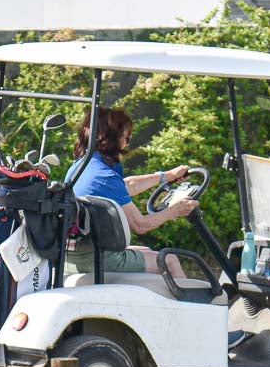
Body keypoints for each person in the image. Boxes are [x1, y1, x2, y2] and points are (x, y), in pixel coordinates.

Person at [65, 106, 196, 278]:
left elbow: (127, 185)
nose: (127, 143)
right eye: (127, 138)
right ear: (113, 138)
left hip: (79, 254)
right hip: (95, 259)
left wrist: (167, 176)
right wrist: (176, 210)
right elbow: (141, 225)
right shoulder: (105, 176)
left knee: (146, 251)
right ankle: (185, 306)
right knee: (169, 260)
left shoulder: (83, 165)